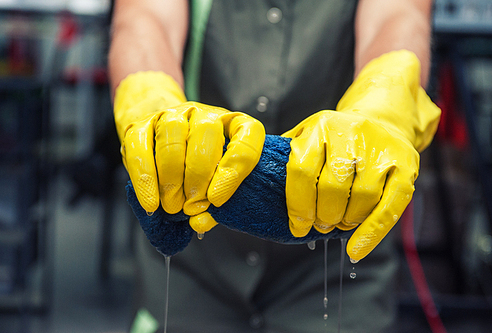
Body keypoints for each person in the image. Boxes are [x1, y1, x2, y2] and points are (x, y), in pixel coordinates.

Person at [108, 0, 440, 332]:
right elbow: (147, 16)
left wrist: (382, 104)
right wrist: (152, 104)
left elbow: (397, 15)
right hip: (193, 259)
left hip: (338, 260)